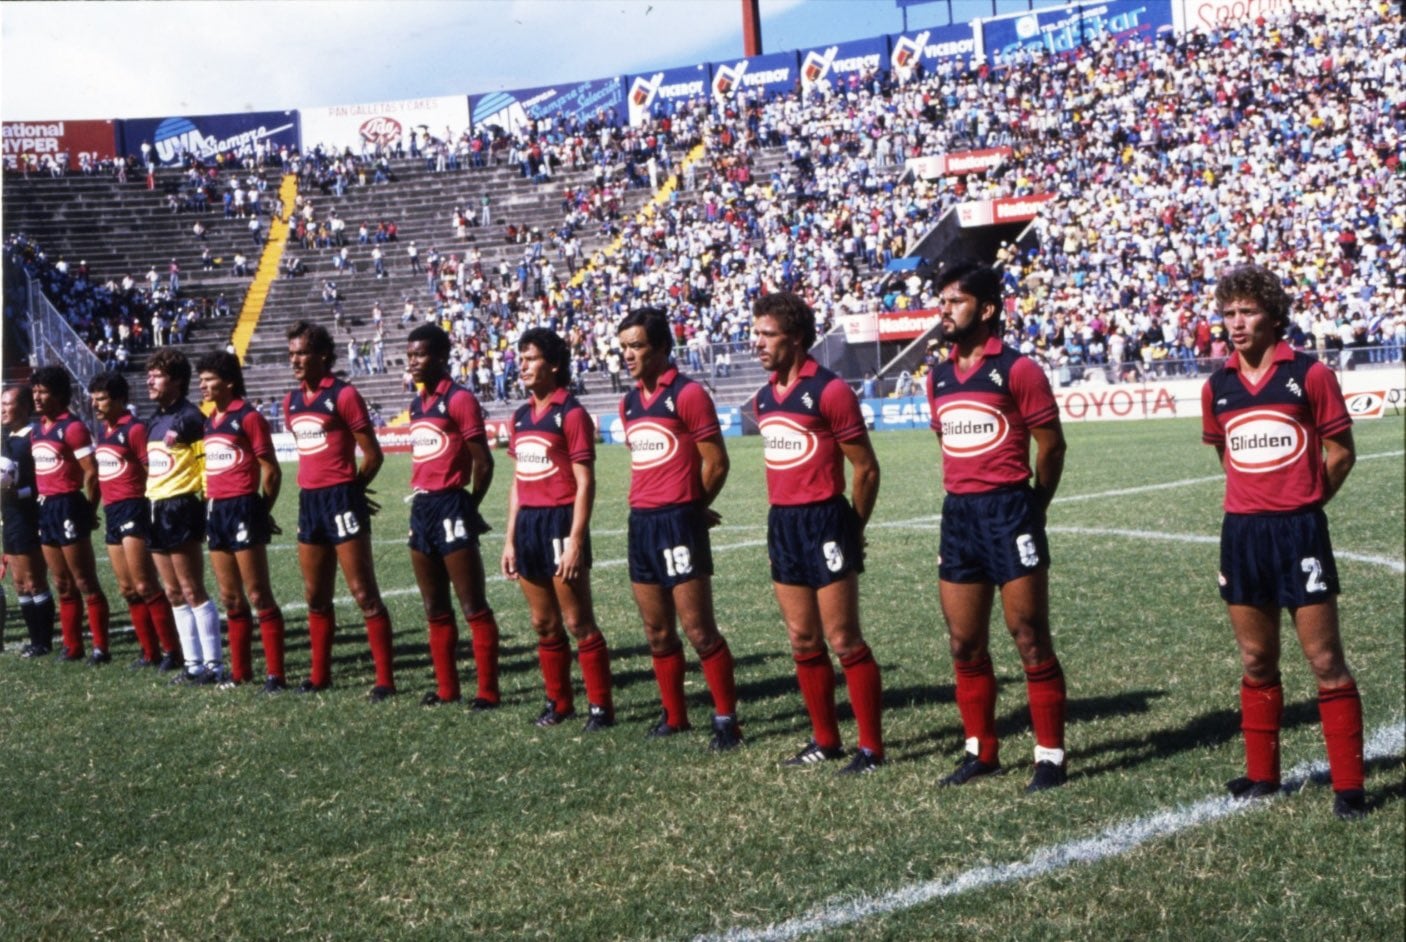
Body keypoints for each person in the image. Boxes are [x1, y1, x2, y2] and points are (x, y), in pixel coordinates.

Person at [1201, 264, 1365, 820]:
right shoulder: (1217, 385)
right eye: (1228, 313)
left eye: (1247, 311)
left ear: (1274, 316)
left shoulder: (1310, 375)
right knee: (1255, 657)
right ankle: (1262, 775)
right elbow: (1227, 455)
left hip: (1299, 530)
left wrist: (1307, 503)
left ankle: (1349, 788)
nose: (1236, 323)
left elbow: (1341, 452)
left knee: (1324, 659)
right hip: (1242, 532)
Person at [923, 260, 1070, 792]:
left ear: (986, 310)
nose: (944, 311)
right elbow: (947, 440)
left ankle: (1050, 755)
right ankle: (980, 750)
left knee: (1029, 637)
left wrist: (1036, 504)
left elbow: (1051, 446)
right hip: (959, 516)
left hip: (1011, 511)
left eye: (955, 302)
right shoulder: (937, 376)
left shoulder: (1018, 369)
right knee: (964, 643)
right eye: (941, 302)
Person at [752, 292, 885, 774]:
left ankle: (870, 748)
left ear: (798, 338)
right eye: (757, 332)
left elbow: (866, 469)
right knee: (802, 639)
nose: (758, 342)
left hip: (825, 520)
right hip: (782, 523)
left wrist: (854, 526)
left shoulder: (829, 391)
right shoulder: (766, 395)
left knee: (844, 638)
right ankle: (824, 741)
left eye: (768, 334)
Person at [616, 308, 741, 749]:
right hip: (641, 523)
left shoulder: (687, 394)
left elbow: (717, 462)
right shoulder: (629, 401)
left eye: (636, 346)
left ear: (663, 349)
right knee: (656, 632)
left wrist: (691, 508)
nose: (627, 355)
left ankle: (727, 719)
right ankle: (676, 716)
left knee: (699, 630)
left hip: (677, 525)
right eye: (624, 347)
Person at [501, 327, 615, 731]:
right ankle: (559, 703)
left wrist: (575, 543)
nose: (523, 366)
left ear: (553, 364)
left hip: (560, 522)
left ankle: (601, 707)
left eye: (531, 358)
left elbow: (585, 482)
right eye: (521, 358)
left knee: (577, 622)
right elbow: (518, 480)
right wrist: (510, 538)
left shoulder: (571, 413)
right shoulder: (519, 415)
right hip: (529, 523)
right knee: (543, 624)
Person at [284, 320, 397, 700]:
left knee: (364, 593)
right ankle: (320, 676)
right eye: (292, 353)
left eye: (301, 353)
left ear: (323, 357)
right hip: (308, 502)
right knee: (316, 596)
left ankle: (385, 680)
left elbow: (373, 455)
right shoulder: (292, 400)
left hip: (341, 500)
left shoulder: (344, 395)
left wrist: (351, 491)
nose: (294, 360)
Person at [404, 324, 501, 710]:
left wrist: (468, 506)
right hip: (422, 507)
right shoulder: (417, 404)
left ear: (442, 357)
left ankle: (488, 692)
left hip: (451, 505)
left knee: (472, 605)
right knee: (434, 607)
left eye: (421, 354)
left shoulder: (459, 399)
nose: (413, 361)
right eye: (410, 354)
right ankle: (447, 689)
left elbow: (485, 463)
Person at [197, 352, 288, 693]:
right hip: (215, 510)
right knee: (231, 598)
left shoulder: (248, 417)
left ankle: (275, 675)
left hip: (243, 508)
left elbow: (271, 470)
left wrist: (260, 510)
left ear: (229, 382)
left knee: (258, 593)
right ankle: (240, 673)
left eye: (209, 379)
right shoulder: (210, 420)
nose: (202, 386)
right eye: (201, 379)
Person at [88, 372, 182, 671]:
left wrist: (146, 505)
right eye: (93, 398)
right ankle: (148, 652)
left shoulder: (135, 429)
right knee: (127, 589)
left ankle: (172, 651)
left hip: (134, 508)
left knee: (145, 584)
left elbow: (149, 469)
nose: (95, 404)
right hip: (112, 511)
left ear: (119, 400)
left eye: (101, 398)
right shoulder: (104, 430)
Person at [146, 349, 225, 684]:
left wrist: (206, 507)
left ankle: (214, 665)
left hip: (180, 507)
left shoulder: (192, 418)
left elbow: (205, 466)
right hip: (155, 506)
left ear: (177, 381)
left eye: (158, 375)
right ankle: (192, 664)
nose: (150, 380)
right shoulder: (154, 419)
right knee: (172, 591)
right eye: (149, 374)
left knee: (192, 589)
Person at [28, 366, 112, 663]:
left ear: (60, 395)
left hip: (67, 505)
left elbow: (92, 473)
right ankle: (72, 646)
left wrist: (87, 509)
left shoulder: (72, 427)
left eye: (43, 391)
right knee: (62, 583)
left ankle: (101, 647)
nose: (36, 396)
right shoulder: (38, 428)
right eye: (35, 390)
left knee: (85, 580)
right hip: (45, 506)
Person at [1, 386, 56, 658]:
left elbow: (41, 483)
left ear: (23, 407)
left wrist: (17, 492)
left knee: (35, 581)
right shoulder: (5, 437)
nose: (2, 409)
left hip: (29, 516)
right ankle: (34, 640)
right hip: (10, 518)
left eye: (7, 404)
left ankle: (43, 641)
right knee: (19, 583)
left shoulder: (33, 438)